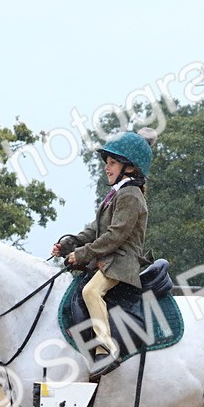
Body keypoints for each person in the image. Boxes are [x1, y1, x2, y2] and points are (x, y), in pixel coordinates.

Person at [51, 128, 155, 376]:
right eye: (107, 163)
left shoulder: (130, 195)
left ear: (128, 167)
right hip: (109, 259)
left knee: (90, 291)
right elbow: (95, 230)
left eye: (112, 163)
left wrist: (83, 255)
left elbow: (114, 237)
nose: (107, 168)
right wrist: (67, 245)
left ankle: (106, 349)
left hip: (122, 262)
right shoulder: (117, 193)